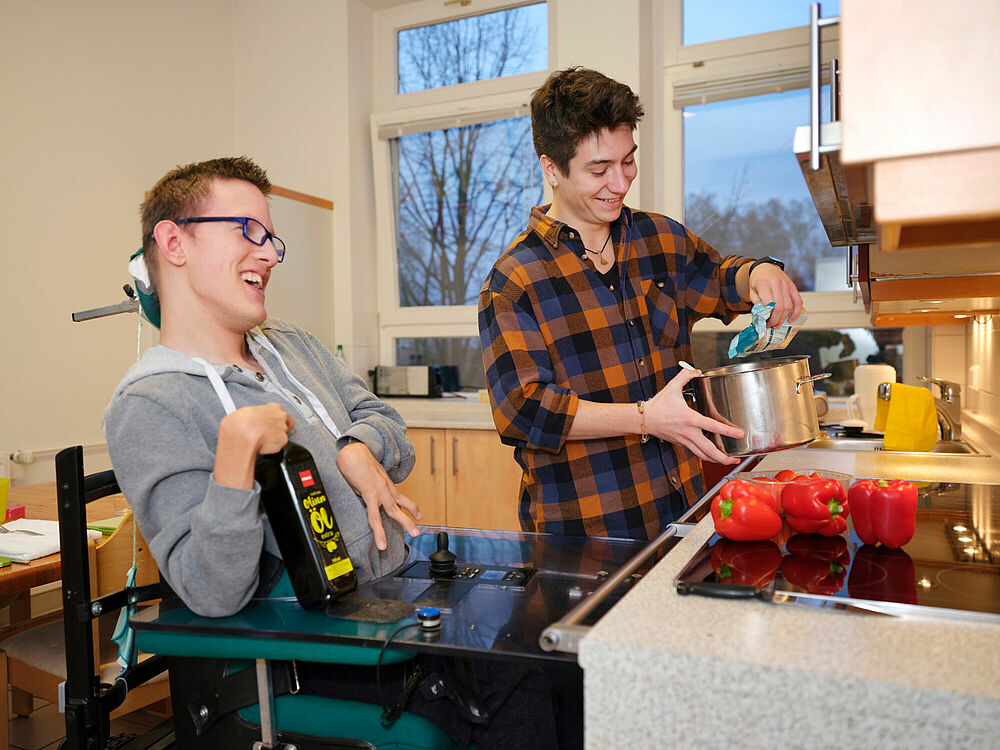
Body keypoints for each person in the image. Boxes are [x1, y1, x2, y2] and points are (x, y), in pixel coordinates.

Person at [104, 156, 579, 749]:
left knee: (566, 653)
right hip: (306, 653)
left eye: (271, 237)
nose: (270, 253)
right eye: (246, 231)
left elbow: (388, 426)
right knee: (521, 681)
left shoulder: (292, 345)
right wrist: (234, 462)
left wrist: (356, 446)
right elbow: (211, 590)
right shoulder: (151, 403)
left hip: (394, 598)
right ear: (173, 241)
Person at [479, 67, 804, 541]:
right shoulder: (514, 281)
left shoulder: (659, 238)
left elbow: (717, 278)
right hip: (586, 535)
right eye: (598, 169)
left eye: (627, 161)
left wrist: (759, 273)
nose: (620, 182)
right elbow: (523, 412)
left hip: (685, 513)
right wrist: (645, 417)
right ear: (551, 168)